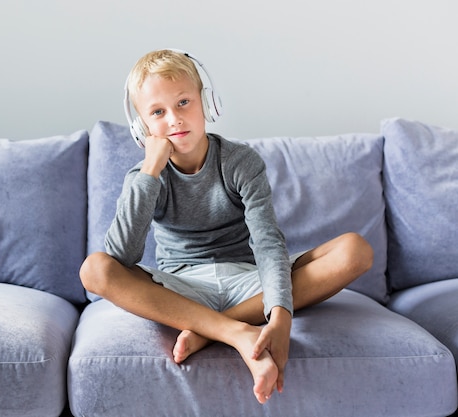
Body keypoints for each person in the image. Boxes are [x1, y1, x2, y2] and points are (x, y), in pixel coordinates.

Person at [79, 48, 373, 405]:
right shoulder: (143, 178)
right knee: (95, 269)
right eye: (158, 112)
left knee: (355, 250)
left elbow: (267, 241)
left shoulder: (240, 162)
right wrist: (151, 171)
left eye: (184, 102)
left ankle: (209, 329)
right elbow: (121, 256)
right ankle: (236, 332)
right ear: (142, 127)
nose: (174, 119)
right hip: (183, 287)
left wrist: (280, 314)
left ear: (207, 103)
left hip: (249, 284)